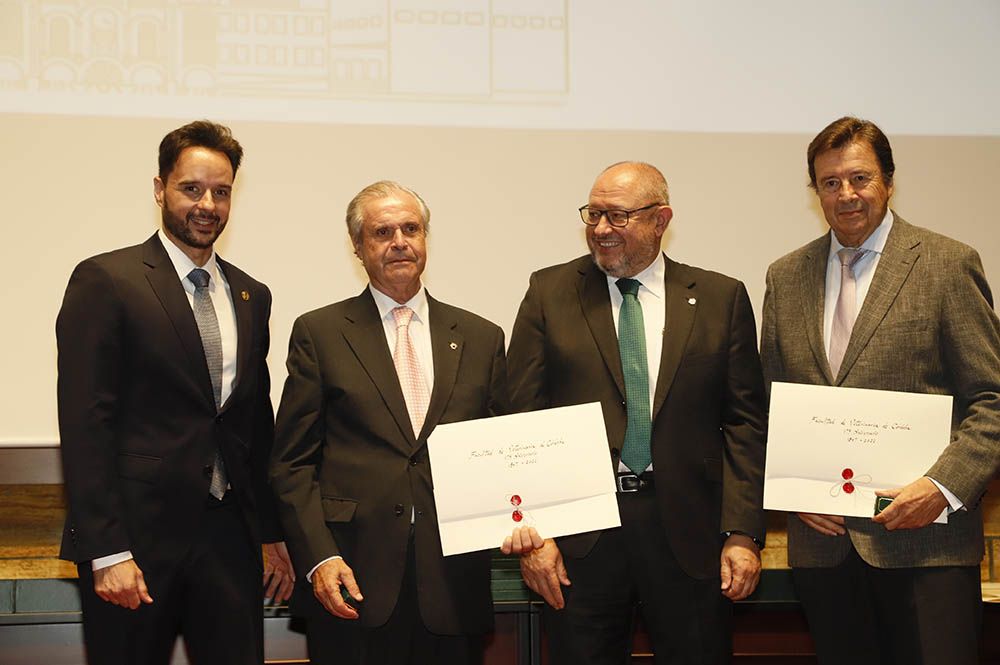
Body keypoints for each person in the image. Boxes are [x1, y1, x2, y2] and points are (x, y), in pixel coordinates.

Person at [502, 162, 767, 664]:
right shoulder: (549, 293)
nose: (601, 229)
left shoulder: (719, 298)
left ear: (660, 219)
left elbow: (745, 425)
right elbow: (522, 421)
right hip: (580, 543)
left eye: (618, 216)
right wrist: (536, 534)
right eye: (594, 214)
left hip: (692, 537)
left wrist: (742, 532)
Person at [760, 116, 1000, 665]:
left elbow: (993, 399)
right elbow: (772, 404)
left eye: (860, 179)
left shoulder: (946, 264)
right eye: (830, 183)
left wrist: (943, 485)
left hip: (927, 549)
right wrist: (795, 491)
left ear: (888, 181)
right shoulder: (785, 276)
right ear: (815, 190)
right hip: (825, 550)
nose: (846, 195)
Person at [56, 120, 294, 665]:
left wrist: (271, 533)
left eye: (222, 191)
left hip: (229, 546)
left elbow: (254, 423)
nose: (207, 204)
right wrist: (107, 549)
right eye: (192, 189)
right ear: (160, 188)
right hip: (134, 547)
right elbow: (85, 423)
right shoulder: (106, 280)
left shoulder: (252, 294)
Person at [269, 181, 509, 665]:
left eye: (411, 228)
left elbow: (500, 453)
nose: (399, 241)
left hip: (452, 585)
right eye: (382, 231)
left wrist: (522, 512)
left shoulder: (482, 337)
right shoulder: (321, 333)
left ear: (425, 240)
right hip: (351, 578)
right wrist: (319, 557)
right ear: (358, 248)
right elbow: (291, 464)